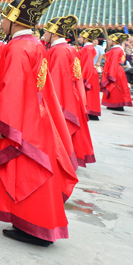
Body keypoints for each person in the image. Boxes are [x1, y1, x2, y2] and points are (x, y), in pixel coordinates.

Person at [0, 0, 78, 247]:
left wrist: (2, 122)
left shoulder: (19, 47)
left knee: (27, 170)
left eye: (3, 18)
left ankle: (35, 226)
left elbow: (13, 87)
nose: (0, 22)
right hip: (37, 114)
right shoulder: (35, 44)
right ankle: (34, 222)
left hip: (22, 117)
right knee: (37, 168)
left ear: (14, 21)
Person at [43, 16, 95, 167]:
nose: (43, 34)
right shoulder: (69, 48)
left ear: (54, 34)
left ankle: (62, 161)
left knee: (61, 129)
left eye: (46, 31)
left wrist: (52, 103)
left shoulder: (59, 51)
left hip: (63, 96)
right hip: (71, 95)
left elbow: (57, 80)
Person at [101, 33, 133, 112]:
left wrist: (111, 74)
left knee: (115, 88)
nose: (108, 41)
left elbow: (114, 63)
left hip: (115, 70)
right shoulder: (116, 49)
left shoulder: (116, 51)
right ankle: (114, 104)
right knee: (117, 88)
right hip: (117, 70)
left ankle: (116, 104)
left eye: (110, 40)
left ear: (114, 41)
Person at [77, 29, 102, 120]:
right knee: (91, 94)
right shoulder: (89, 48)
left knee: (89, 94)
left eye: (80, 37)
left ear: (86, 39)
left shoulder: (87, 49)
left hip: (88, 73)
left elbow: (86, 64)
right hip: (91, 72)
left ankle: (89, 112)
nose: (79, 39)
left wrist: (83, 77)